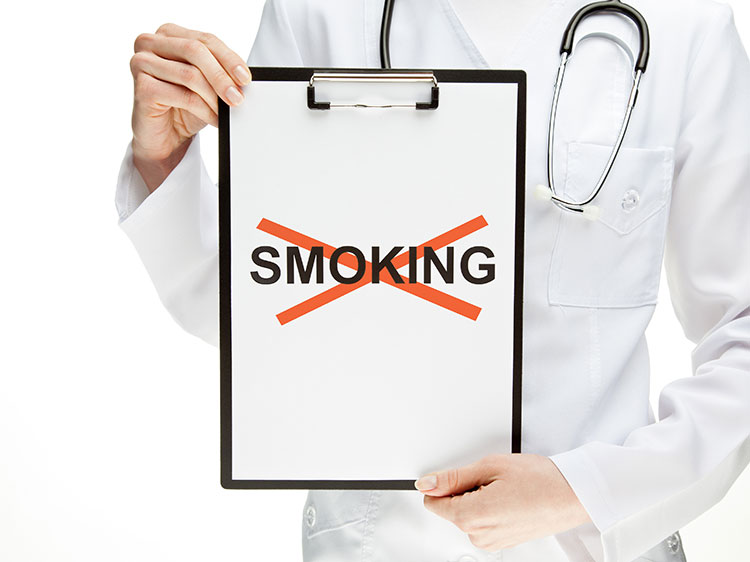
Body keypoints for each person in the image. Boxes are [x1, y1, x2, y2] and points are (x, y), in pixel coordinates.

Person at [115, 1, 750, 561]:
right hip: (378, 544)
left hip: (590, 545)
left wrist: (587, 490)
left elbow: (743, 332)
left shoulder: (685, 26)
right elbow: (267, 315)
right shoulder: (319, 14)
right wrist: (163, 158)